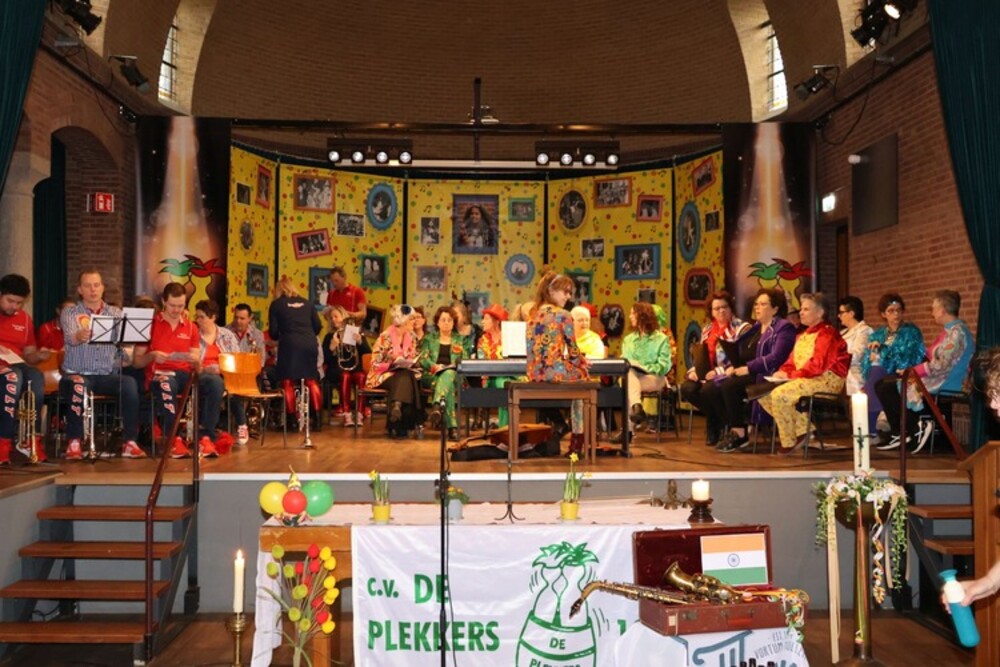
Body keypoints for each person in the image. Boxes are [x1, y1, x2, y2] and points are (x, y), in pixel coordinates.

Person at [60, 270, 145, 460]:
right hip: (78, 373)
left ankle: (130, 442)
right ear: (80, 290)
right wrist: (79, 336)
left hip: (106, 375)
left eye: (96, 285)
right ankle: (74, 441)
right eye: (88, 286)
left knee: (129, 384)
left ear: (103, 288)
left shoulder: (115, 313)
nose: (93, 290)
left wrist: (129, 340)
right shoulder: (70, 313)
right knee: (78, 385)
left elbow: (125, 341)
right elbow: (70, 337)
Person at [874, 290, 973, 453]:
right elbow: (932, 357)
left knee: (888, 387)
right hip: (939, 377)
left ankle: (916, 426)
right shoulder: (950, 330)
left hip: (948, 382)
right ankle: (900, 432)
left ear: (942, 310)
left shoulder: (957, 333)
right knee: (882, 384)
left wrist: (913, 371)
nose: (932, 313)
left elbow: (940, 365)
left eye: (934, 308)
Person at [133, 282, 220, 459]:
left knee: (215, 383)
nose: (177, 310)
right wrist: (152, 356)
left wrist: (196, 363)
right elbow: (136, 362)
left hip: (185, 374)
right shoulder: (150, 325)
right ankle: (174, 439)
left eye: (181, 306)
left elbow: (196, 364)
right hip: (160, 374)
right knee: (166, 384)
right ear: (163, 301)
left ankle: (206, 437)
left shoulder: (191, 327)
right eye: (173, 305)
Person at [759, 292, 850, 454]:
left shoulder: (828, 334)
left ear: (820, 313)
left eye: (806, 309)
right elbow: (791, 361)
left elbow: (817, 365)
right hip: (805, 378)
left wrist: (790, 376)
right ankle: (803, 431)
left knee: (780, 394)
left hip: (825, 381)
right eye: (801, 309)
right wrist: (782, 371)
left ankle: (790, 441)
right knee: (762, 394)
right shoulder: (802, 335)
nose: (800, 313)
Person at [714, 288, 797, 453]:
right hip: (752, 372)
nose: (757, 308)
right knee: (712, 388)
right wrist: (733, 366)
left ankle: (739, 432)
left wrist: (748, 368)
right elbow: (740, 351)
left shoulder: (784, 327)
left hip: (770, 375)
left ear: (775, 308)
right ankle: (733, 426)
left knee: (730, 386)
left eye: (763, 304)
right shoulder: (755, 328)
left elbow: (776, 358)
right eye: (756, 304)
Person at [527, 272, 590, 456]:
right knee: (584, 380)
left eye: (570, 293)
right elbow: (573, 351)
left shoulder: (533, 314)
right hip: (554, 372)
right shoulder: (563, 315)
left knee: (578, 373)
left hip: (534, 373)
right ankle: (577, 442)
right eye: (565, 292)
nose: (568, 297)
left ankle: (562, 425)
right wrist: (581, 363)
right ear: (551, 291)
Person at [679, 290, 752, 446]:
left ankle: (717, 425)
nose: (721, 311)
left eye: (725, 307)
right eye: (717, 308)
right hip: (708, 373)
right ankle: (718, 420)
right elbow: (701, 356)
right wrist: (695, 371)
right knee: (687, 388)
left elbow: (741, 359)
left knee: (708, 390)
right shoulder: (707, 329)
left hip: (730, 373)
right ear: (711, 311)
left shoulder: (742, 328)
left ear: (731, 308)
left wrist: (717, 372)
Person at [0, 274, 52, 464]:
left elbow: (29, 354)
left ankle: (31, 439)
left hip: (16, 363)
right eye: (10, 301)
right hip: (5, 369)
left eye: (19, 303)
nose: (14, 306)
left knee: (36, 377)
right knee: (13, 377)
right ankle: (3, 441)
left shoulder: (24, 319)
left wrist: (39, 356)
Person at [860, 293, 926, 438]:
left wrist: (883, 350)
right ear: (883, 314)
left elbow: (909, 357)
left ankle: (872, 429)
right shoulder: (878, 334)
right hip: (880, 372)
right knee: (873, 374)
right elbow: (866, 361)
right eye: (891, 311)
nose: (896, 314)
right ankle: (875, 426)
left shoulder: (911, 331)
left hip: (902, 371)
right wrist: (872, 357)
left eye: (898, 310)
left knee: (875, 377)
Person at [612, 302, 673, 443]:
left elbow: (665, 366)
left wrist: (645, 367)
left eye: (633, 313)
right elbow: (626, 361)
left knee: (629, 385)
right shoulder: (628, 340)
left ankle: (627, 431)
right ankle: (637, 407)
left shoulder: (661, 339)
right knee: (628, 377)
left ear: (643, 315)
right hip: (632, 376)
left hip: (654, 377)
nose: (630, 316)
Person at [268, 276, 323, 430]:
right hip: (309, 343)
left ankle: (292, 420)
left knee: (287, 381)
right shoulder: (307, 303)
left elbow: (273, 332)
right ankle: (317, 420)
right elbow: (318, 326)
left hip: (290, 344)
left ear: (279, 290)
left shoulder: (276, 305)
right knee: (311, 379)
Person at [366, 304, 423, 438]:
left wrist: (411, 362)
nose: (414, 321)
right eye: (412, 319)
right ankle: (404, 425)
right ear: (403, 320)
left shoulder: (412, 337)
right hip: (383, 374)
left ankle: (396, 406)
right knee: (405, 377)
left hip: (403, 374)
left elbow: (413, 356)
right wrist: (391, 361)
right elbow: (374, 362)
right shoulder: (385, 336)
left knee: (405, 375)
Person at [194, 299, 244, 446]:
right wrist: (204, 368)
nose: (198, 320)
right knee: (216, 383)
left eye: (202, 317)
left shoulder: (227, 335)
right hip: (201, 374)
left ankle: (242, 424)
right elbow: (189, 361)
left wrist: (221, 368)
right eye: (196, 317)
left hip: (225, 373)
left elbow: (237, 360)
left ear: (213, 317)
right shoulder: (193, 334)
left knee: (231, 383)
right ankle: (207, 433)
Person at [420, 305, 471, 441]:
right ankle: (452, 428)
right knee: (448, 387)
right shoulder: (429, 339)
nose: (446, 323)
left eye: (449, 320)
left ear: (454, 323)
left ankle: (437, 405)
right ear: (437, 322)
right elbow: (423, 359)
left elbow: (465, 360)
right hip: (433, 375)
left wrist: (453, 366)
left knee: (449, 373)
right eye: (443, 320)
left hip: (455, 376)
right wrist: (434, 366)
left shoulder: (460, 340)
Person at [322, 305, 370, 427]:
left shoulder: (354, 332)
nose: (333, 320)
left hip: (355, 368)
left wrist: (360, 341)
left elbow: (367, 351)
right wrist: (332, 348)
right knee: (345, 376)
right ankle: (347, 413)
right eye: (331, 318)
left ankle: (359, 413)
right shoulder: (329, 337)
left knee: (361, 377)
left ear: (343, 317)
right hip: (336, 370)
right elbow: (325, 360)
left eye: (336, 316)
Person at [477, 303, 513, 429]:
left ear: (496, 321)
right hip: (490, 379)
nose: (482, 322)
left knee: (506, 383)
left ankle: (507, 428)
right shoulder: (483, 340)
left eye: (486, 319)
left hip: (510, 376)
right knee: (504, 385)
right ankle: (505, 429)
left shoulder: (509, 338)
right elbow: (482, 363)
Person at [837, 296, 873, 396]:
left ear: (851, 314)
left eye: (841, 312)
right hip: (839, 375)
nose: (838, 316)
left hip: (854, 378)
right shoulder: (841, 333)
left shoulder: (864, 331)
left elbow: (858, 355)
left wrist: (836, 358)